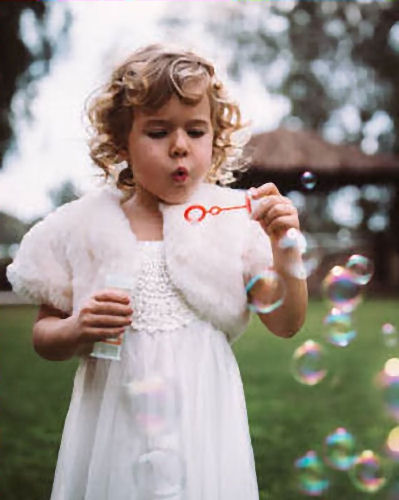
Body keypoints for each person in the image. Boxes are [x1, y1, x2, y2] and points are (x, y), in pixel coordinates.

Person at [6, 43, 307, 500]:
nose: (180, 146)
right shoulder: (84, 226)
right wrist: (73, 329)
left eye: (196, 130)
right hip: (112, 420)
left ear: (215, 137)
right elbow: (43, 334)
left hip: (202, 421)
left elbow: (286, 323)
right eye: (158, 131)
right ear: (121, 140)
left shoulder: (232, 221)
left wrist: (284, 250)